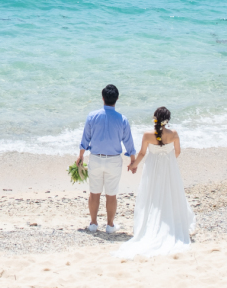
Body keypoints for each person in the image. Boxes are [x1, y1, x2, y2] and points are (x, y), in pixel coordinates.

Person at [114, 106, 196, 258]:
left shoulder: (147, 135)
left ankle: (151, 225)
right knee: (171, 193)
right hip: (169, 168)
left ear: (155, 119)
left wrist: (133, 165)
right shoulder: (174, 134)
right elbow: (177, 152)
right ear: (168, 120)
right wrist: (167, 160)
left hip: (152, 169)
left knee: (152, 197)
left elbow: (142, 153)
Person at [77, 84, 136, 233]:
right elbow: (128, 142)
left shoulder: (92, 116)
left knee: (94, 192)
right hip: (114, 160)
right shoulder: (122, 119)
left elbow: (85, 138)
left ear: (102, 98)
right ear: (117, 99)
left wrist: (81, 156)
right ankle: (110, 225)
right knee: (111, 194)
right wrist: (133, 160)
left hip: (96, 158)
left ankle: (93, 223)